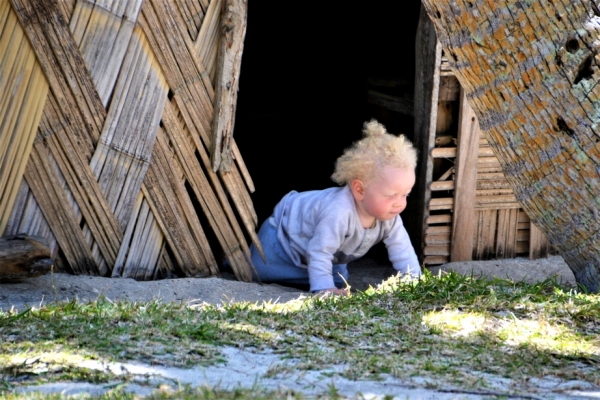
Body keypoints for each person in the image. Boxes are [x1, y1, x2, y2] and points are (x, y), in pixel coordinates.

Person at [249, 119, 421, 295]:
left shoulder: (390, 216)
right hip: (283, 240)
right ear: (360, 190)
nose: (400, 202)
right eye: (391, 195)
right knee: (257, 271)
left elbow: (403, 250)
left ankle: (316, 277)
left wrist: (415, 281)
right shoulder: (338, 211)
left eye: (405, 195)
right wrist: (324, 289)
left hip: (328, 258)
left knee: (339, 280)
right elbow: (320, 251)